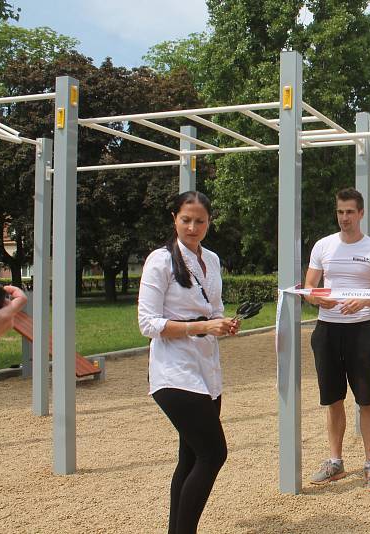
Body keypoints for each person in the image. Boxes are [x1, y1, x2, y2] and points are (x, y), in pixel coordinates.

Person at [138, 191, 238, 534]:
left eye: (200, 221)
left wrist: (222, 324)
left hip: (206, 372)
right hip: (173, 374)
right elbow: (147, 324)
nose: (193, 227)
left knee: (191, 457)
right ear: (174, 218)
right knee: (214, 454)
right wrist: (202, 326)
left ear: (209, 222)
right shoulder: (160, 260)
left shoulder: (211, 258)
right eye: (186, 220)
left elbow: (214, 309)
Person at [303, 187, 370, 493]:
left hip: (361, 331)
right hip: (327, 331)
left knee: (366, 399)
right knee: (333, 399)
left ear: (361, 213)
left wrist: (364, 301)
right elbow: (309, 287)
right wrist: (317, 299)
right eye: (340, 212)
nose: (344, 218)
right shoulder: (323, 246)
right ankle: (335, 461)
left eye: (350, 212)